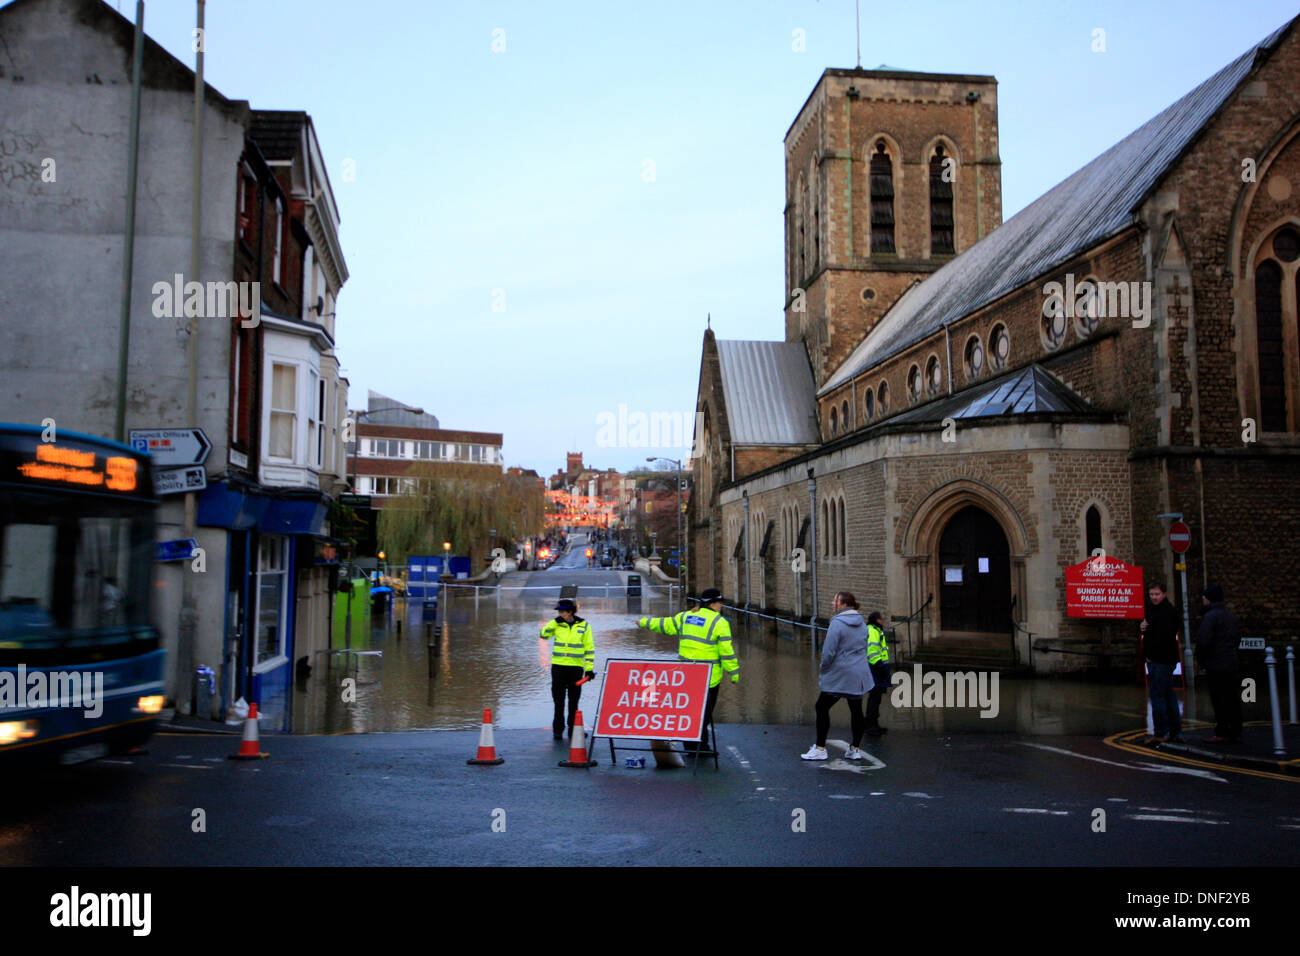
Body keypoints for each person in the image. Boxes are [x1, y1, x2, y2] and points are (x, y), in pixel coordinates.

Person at [637, 586, 738, 752]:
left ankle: (690, 743)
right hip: (709, 677)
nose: (721, 606)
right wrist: (733, 673)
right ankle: (699, 746)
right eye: (719, 603)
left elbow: (665, 624)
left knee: (690, 709)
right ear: (712, 604)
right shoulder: (720, 622)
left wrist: (644, 622)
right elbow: (726, 651)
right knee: (704, 713)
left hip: (687, 674)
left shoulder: (687, 616)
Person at [801, 592, 875, 760]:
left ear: (843, 605)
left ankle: (820, 749)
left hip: (840, 674)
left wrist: (824, 668)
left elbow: (829, 652)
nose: (832, 602)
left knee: (821, 707)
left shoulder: (837, 623)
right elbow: (863, 647)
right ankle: (854, 749)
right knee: (856, 709)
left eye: (835, 600)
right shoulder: (862, 624)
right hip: (858, 673)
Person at [539, 599, 595, 741]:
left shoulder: (584, 626)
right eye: (559, 611)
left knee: (573, 702)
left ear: (570, 612)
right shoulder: (556, 624)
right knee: (558, 701)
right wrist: (553, 622)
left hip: (575, 669)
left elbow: (589, 649)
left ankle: (573, 731)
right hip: (558, 668)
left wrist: (589, 670)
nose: (560, 613)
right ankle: (558, 730)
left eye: (562, 611)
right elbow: (543, 635)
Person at [1195, 584, 1242, 744]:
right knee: (1232, 699)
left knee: (1219, 700)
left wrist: (1201, 659)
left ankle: (1222, 732)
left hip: (1215, 664)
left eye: (1204, 597)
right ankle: (1236, 731)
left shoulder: (1210, 617)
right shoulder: (1230, 616)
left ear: (1208, 599)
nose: (1202, 599)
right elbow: (1237, 639)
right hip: (1231, 663)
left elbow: (1204, 641)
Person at [1140, 582, 1183, 742]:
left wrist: (1147, 630)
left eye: (1157, 594)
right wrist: (1143, 626)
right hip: (1161, 659)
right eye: (1151, 594)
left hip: (1161, 659)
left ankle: (1161, 733)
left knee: (1157, 696)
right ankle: (1175, 732)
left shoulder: (1167, 611)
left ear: (1164, 594)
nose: (1154, 597)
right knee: (1168, 695)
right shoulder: (1154, 609)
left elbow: (1163, 636)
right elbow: (1149, 629)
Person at [864, 610, 891, 736]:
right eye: (881, 618)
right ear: (876, 619)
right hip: (875, 668)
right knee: (875, 697)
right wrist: (880, 665)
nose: (883, 620)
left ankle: (872, 723)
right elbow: (872, 651)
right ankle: (871, 724)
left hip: (877, 667)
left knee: (876, 697)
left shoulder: (876, 630)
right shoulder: (873, 631)